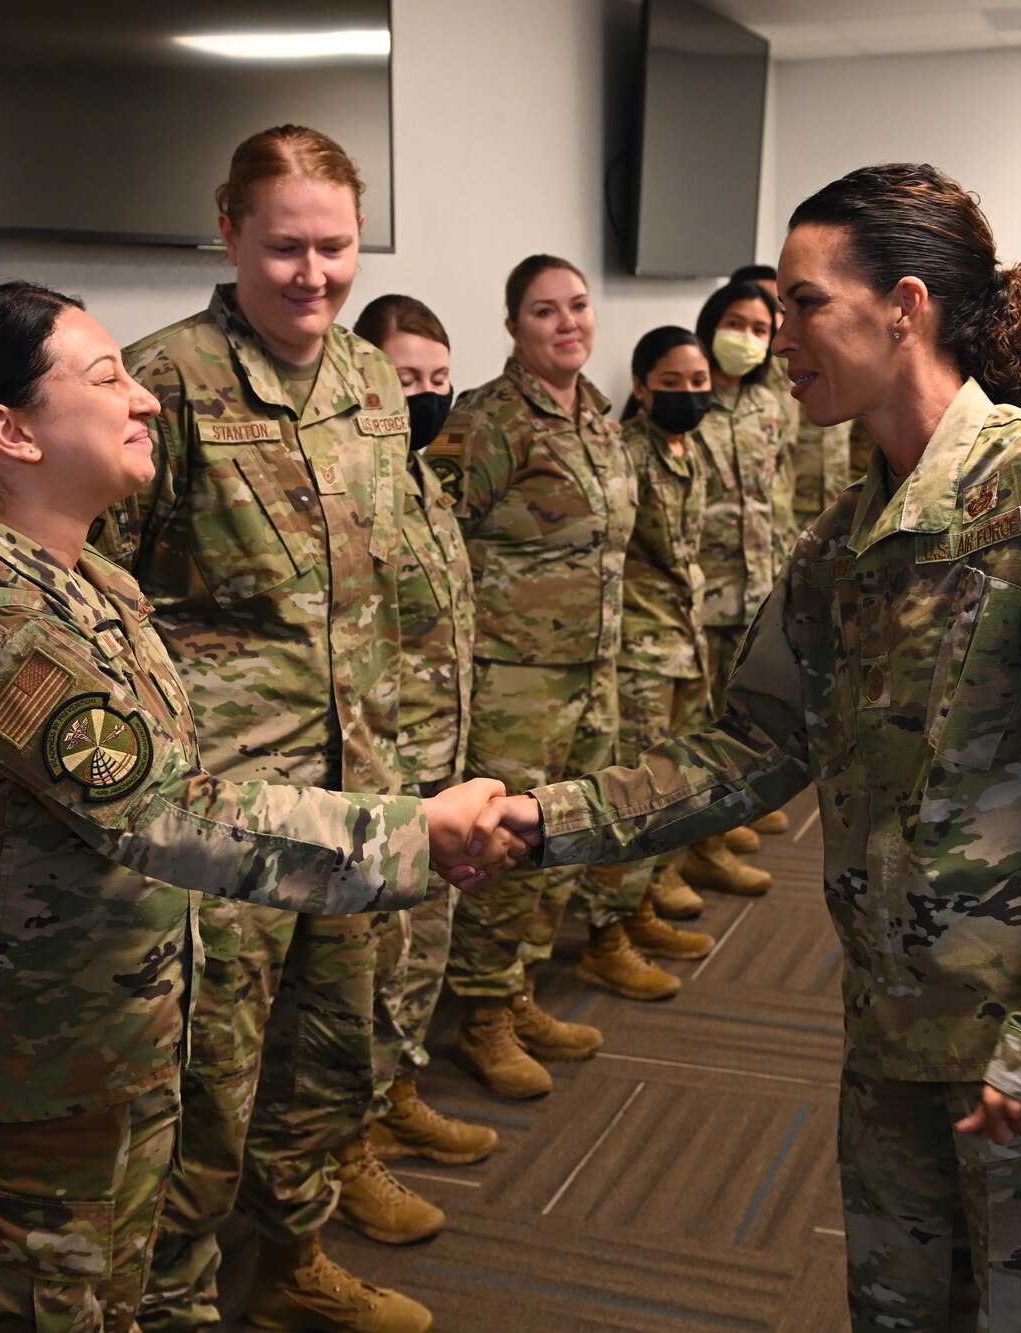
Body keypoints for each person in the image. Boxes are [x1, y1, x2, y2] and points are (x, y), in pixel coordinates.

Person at [480, 163, 1021, 1329]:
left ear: (905, 307)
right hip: (897, 1038)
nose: (776, 337)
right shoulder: (847, 536)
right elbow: (749, 744)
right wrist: (541, 820)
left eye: (804, 303)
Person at [0, 282, 518, 1332]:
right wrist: (415, 832)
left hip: (97, 1050)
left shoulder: (92, 586)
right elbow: (166, 812)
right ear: (11, 431)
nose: (145, 398)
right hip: (11, 1088)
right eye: (106, 378)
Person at [104, 127, 438, 1333]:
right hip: (227, 815)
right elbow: (98, 596)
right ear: (229, 230)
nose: (313, 273)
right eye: (286, 246)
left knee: (328, 1055)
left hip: (357, 799)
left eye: (334, 247)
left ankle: (293, 1259)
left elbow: (397, 582)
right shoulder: (161, 383)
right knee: (207, 1084)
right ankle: (175, 1304)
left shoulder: (369, 382)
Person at [425, 253, 654, 1094]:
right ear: (513, 327)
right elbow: (439, 541)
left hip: (593, 669)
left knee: (568, 833)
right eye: (545, 311)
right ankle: (482, 1015)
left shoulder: (596, 415)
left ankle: (519, 989)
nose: (568, 323)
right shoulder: (489, 420)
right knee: (503, 848)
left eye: (578, 306)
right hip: (513, 681)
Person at [347, 295, 501, 1213]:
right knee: (369, 967)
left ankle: (397, 1095)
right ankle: (349, 1144)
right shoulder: (347, 488)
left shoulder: (424, 480)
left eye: (440, 378)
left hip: (442, 759)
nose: (428, 395)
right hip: (381, 778)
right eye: (407, 378)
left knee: (421, 950)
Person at [576, 326, 726, 946]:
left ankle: (645, 902)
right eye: (671, 382)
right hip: (639, 651)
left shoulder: (693, 447)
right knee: (635, 791)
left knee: (680, 784)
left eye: (698, 381)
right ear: (641, 388)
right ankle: (607, 932)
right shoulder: (626, 453)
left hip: (685, 639)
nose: (688, 392)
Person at [675, 279, 788, 898]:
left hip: (756, 586)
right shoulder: (686, 398)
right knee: (695, 732)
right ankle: (686, 856)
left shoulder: (771, 404)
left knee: (739, 721)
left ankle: (714, 838)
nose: (746, 337)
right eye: (735, 323)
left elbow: (778, 494)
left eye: (760, 329)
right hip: (702, 593)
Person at [738, 262, 857, 528]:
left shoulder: (822, 359)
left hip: (837, 501)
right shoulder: (751, 369)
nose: (773, 314)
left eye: (779, 305)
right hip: (784, 511)